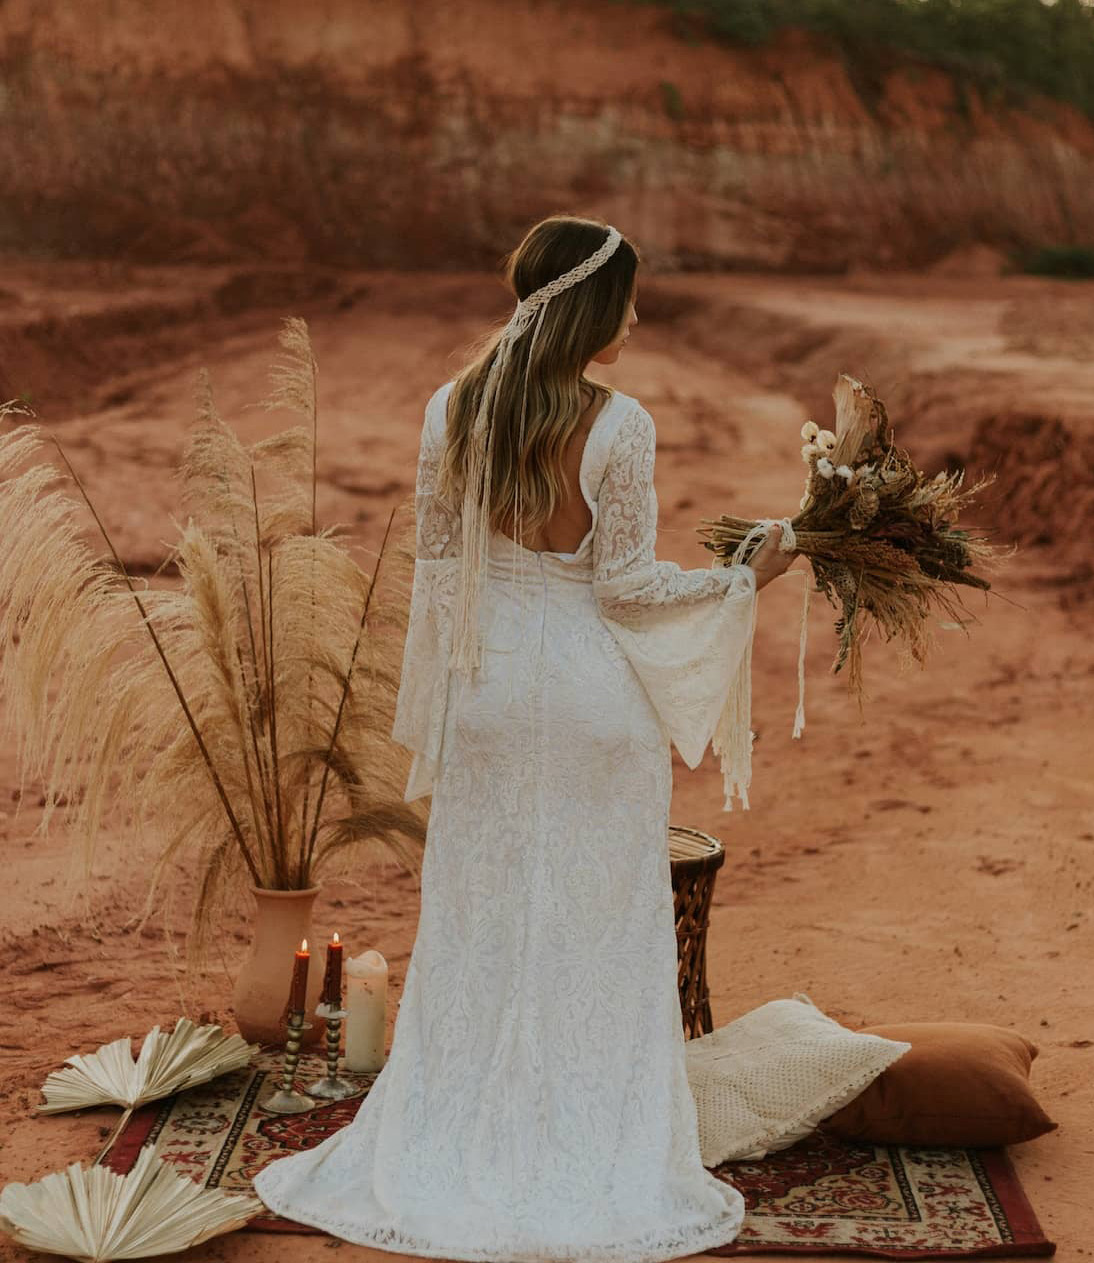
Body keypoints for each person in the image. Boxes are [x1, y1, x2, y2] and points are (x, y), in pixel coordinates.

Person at [251, 215, 798, 1262]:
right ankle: (585, 1133)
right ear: (593, 305)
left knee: (481, 910)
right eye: (628, 301)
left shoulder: (448, 410)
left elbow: (443, 569)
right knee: (596, 921)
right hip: (591, 698)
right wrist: (745, 575)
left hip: (490, 692)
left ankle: (460, 1123)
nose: (635, 319)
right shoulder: (620, 425)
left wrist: (466, 687)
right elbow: (628, 591)